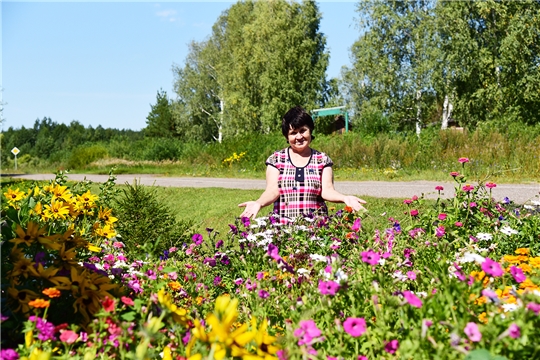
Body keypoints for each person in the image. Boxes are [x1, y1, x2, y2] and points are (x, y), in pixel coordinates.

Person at [238, 106, 366, 224]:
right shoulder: (276, 160)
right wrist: (258, 203)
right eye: (293, 133)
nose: (299, 137)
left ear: (310, 131)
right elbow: (272, 190)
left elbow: (327, 191)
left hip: (316, 229)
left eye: (303, 131)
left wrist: (345, 198)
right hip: (283, 229)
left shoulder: (322, 160)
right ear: (287, 136)